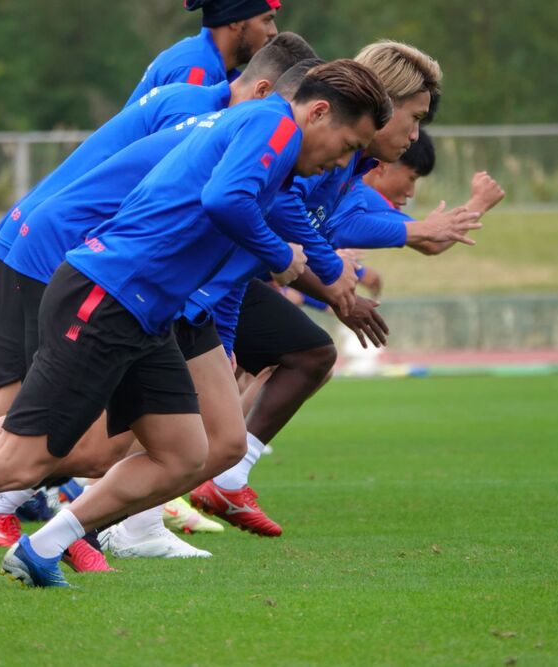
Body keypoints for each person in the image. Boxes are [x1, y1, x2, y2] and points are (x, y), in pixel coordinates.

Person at [0, 60, 393, 587]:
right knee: (21, 457)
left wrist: (320, 266)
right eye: (348, 145)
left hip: (148, 312)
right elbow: (225, 200)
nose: (343, 161)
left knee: (182, 454)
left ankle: (43, 548)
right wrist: (283, 256)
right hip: (106, 297)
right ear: (318, 112)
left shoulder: (268, 132)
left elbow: (273, 206)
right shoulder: (274, 125)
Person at [190, 41, 503, 536]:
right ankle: (89, 512)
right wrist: (333, 273)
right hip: (167, 275)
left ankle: (150, 509)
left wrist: (351, 270)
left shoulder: (346, 163)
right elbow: (277, 206)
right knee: (139, 428)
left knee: (278, 373)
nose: (414, 135)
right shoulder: (297, 140)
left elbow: (334, 223)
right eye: (414, 119)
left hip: (208, 283)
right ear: (385, 103)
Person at [125, 0, 280, 105]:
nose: (274, 31)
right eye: (267, 20)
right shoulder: (195, 70)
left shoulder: (216, 67)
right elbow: (180, 143)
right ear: (235, 21)